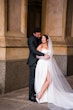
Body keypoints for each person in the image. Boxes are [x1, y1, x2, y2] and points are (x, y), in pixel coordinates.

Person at [35, 34, 73, 109]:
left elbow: (51, 56)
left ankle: (40, 95)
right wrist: (44, 56)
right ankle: (40, 95)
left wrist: (51, 59)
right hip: (42, 64)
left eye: (43, 38)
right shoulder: (40, 46)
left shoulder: (49, 47)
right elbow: (36, 56)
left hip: (48, 64)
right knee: (45, 79)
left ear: (47, 40)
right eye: (41, 38)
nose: (42, 40)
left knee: (49, 80)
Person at [27, 28, 49, 102]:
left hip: (40, 62)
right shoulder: (31, 39)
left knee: (38, 78)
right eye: (38, 34)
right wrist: (43, 54)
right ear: (34, 33)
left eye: (40, 34)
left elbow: (43, 44)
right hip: (33, 62)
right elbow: (33, 50)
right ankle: (31, 96)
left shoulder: (38, 39)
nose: (39, 35)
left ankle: (37, 93)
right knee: (32, 79)